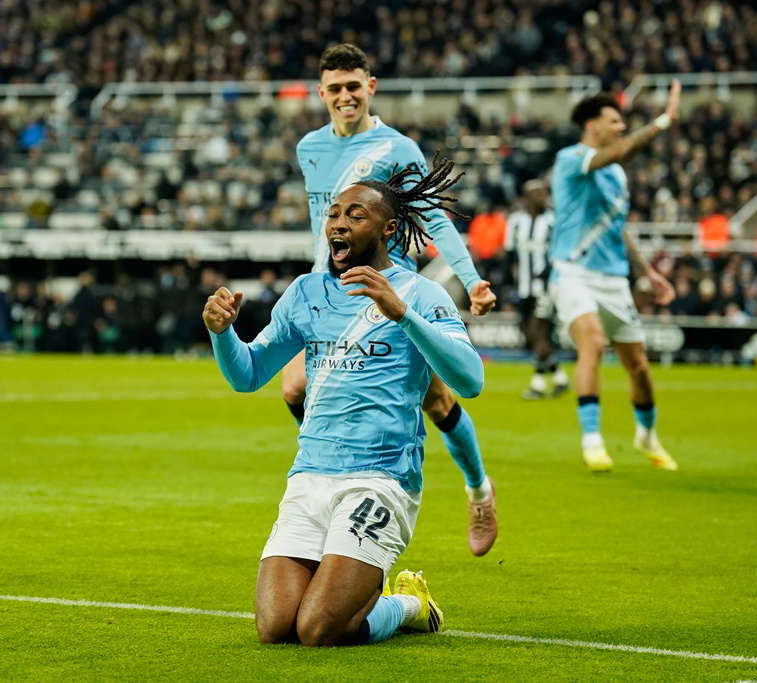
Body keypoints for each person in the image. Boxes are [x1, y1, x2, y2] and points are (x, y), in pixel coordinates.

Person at [203, 161, 484, 646]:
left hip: (380, 480)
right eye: (334, 214)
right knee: (275, 628)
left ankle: (410, 603)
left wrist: (403, 315)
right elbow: (247, 375)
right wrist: (222, 334)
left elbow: (472, 379)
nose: (338, 223)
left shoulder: (421, 293)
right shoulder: (306, 292)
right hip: (309, 475)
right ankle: (355, 587)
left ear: (388, 229)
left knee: (321, 629)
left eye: (356, 215)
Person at [286, 44, 497, 555]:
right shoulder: (308, 149)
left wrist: (470, 280)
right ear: (322, 94)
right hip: (331, 290)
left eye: (353, 86)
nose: (345, 96)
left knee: (439, 401)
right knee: (295, 388)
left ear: (370, 87)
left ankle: (479, 490)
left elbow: (434, 217)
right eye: (335, 88)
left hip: (388, 286)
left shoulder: (397, 147)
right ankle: (343, 464)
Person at [548, 83, 681, 472]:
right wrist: (663, 122)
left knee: (638, 365)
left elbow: (617, 227)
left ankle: (647, 435)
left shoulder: (617, 176)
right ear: (592, 126)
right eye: (615, 120)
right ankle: (592, 441)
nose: (621, 127)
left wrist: (647, 273)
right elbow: (622, 149)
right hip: (572, 271)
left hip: (614, 278)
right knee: (592, 341)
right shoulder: (570, 159)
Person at [504, 179, 569, 399]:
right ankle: (559, 376)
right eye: (538, 194)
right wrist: (505, 287)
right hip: (522, 289)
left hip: (546, 289)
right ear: (527, 198)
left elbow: (561, 254)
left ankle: (538, 384)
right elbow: (509, 256)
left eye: (545, 193)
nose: (544, 198)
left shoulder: (552, 222)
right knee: (528, 333)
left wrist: (546, 273)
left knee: (538, 331)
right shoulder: (515, 222)